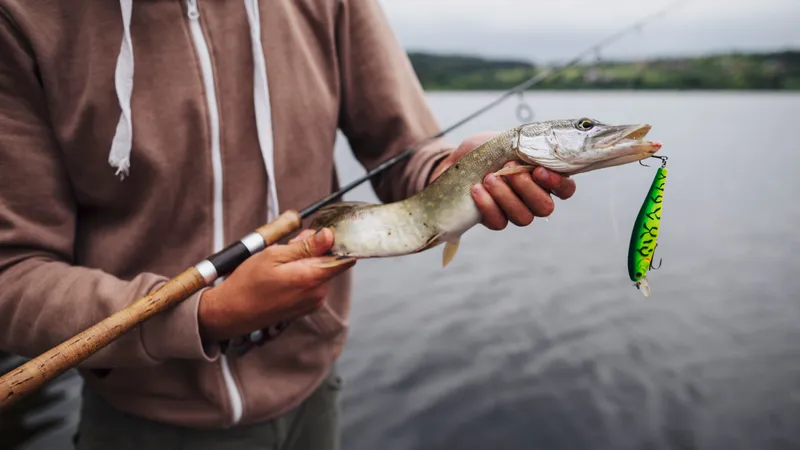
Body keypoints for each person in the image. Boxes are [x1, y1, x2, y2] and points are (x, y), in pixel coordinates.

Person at [0, 1, 576, 449]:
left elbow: (410, 152)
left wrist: (455, 172)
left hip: (311, 401)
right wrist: (206, 314)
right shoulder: (24, 18)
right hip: (139, 421)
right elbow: (13, 277)